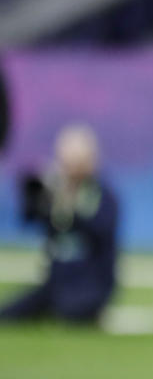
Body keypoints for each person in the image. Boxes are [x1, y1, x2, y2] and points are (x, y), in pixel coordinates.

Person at [0, 124, 119, 324]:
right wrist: (37, 194)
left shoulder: (100, 195)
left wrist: (70, 211)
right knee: (9, 314)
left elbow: (102, 230)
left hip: (90, 284)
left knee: (70, 312)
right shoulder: (55, 192)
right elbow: (29, 217)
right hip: (56, 284)